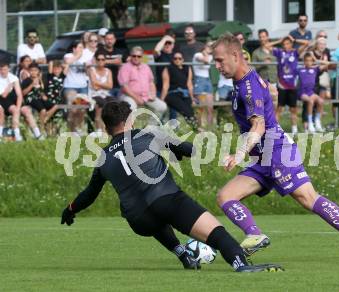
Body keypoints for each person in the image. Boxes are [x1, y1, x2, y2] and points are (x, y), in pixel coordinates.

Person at [60, 101, 283, 273]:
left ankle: (182, 253)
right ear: (130, 121)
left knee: (142, 207)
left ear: (106, 127)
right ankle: (240, 264)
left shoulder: (102, 157)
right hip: (167, 201)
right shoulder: (148, 134)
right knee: (216, 233)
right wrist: (176, 149)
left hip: (138, 220)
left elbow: (89, 194)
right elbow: (189, 149)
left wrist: (70, 209)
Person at [212, 33, 339, 263]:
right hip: (262, 157)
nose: (217, 66)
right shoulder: (247, 81)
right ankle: (255, 235)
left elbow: (258, 125)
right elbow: (273, 93)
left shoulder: (248, 87)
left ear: (235, 55)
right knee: (226, 196)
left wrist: (239, 154)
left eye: (220, 60)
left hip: (277, 152)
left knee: (308, 198)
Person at [265, 35, 308, 134]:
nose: (285, 45)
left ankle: (294, 130)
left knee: (293, 109)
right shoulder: (279, 52)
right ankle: (275, 130)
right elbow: (267, 45)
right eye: (283, 44)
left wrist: (295, 39)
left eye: (287, 43)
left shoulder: (295, 52)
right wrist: (278, 40)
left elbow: (306, 43)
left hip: (292, 85)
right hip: (282, 85)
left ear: (291, 44)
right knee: (279, 108)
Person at [118, 46, 167, 121]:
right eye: (134, 56)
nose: (136, 58)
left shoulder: (146, 67)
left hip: (146, 96)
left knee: (162, 107)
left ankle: (149, 128)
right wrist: (137, 98)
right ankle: (129, 130)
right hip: (129, 96)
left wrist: (153, 94)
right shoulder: (125, 67)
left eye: (139, 56)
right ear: (130, 56)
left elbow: (151, 82)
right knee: (131, 108)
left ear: (142, 57)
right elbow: (125, 87)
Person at [0, 61, 42, 141]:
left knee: (26, 111)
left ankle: (38, 134)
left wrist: (19, 107)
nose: (3, 71)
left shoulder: (13, 77)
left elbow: (19, 94)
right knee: (15, 111)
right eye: (1, 69)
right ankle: (17, 136)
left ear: (8, 69)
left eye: (5, 69)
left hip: (14, 99)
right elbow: (4, 95)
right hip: (4, 100)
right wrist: (10, 86)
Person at [160, 51, 197, 128]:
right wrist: (162, 100)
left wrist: (192, 98)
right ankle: (197, 129)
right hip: (172, 94)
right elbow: (165, 85)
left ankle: (195, 129)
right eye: (175, 58)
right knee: (186, 111)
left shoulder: (187, 68)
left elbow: (189, 84)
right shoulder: (168, 68)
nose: (177, 60)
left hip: (185, 94)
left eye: (179, 58)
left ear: (183, 60)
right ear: (173, 60)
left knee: (190, 111)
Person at [296, 52, 329, 133]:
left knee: (320, 101)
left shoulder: (315, 69)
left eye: (310, 61)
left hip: (311, 92)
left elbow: (327, 63)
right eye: (306, 60)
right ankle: (310, 123)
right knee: (310, 101)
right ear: (304, 61)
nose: (308, 62)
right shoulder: (300, 69)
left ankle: (317, 122)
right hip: (302, 92)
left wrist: (315, 59)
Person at [63, 40, 89, 133]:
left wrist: (87, 67)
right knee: (73, 108)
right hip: (71, 86)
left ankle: (79, 129)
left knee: (82, 109)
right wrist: (78, 55)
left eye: (82, 48)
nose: (82, 50)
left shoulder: (85, 58)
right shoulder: (69, 55)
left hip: (83, 86)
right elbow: (68, 61)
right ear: (74, 49)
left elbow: (88, 72)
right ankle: (71, 130)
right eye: (80, 47)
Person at [21, 62, 58, 127]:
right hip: (31, 99)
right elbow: (23, 93)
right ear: (29, 71)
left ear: (38, 71)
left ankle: (43, 120)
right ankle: (41, 127)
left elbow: (41, 91)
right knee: (43, 110)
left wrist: (43, 95)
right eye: (31, 70)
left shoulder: (40, 80)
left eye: (35, 70)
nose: (33, 72)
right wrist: (32, 85)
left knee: (55, 106)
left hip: (39, 98)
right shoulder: (27, 80)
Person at [88, 51, 114, 134]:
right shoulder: (91, 70)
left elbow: (110, 86)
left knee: (114, 103)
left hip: (106, 94)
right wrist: (105, 84)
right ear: (95, 60)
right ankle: (99, 129)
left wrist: (97, 82)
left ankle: (111, 128)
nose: (100, 61)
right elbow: (94, 87)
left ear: (105, 60)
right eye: (98, 59)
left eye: (103, 59)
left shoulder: (108, 71)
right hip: (94, 95)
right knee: (101, 103)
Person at [192, 43, 214, 125]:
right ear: (205, 46)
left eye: (212, 47)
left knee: (210, 107)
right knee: (200, 107)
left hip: (207, 81)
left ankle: (210, 129)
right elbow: (205, 60)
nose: (211, 48)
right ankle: (199, 129)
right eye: (209, 46)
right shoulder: (197, 54)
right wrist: (205, 52)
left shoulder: (211, 56)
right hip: (199, 81)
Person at [102, 31, 128, 97]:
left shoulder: (120, 52)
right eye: (107, 39)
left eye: (111, 39)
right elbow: (96, 62)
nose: (109, 41)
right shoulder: (100, 52)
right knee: (109, 105)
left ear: (114, 40)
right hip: (105, 85)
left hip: (119, 84)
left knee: (120, 105)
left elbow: (130, 61)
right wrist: (115, 61)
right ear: (104, 40)